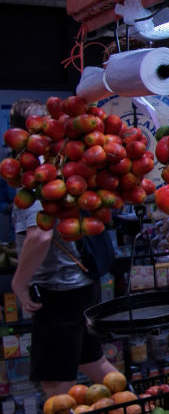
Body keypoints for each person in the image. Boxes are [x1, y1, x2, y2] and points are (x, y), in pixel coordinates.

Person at [10, 99, 115, 396]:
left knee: (55, 383)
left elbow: (40, 236)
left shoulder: (37, 175)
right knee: (93, 362)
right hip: (81, 283)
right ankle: (136, 406)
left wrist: (19, 284)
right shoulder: (66, 165)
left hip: (59, 291)